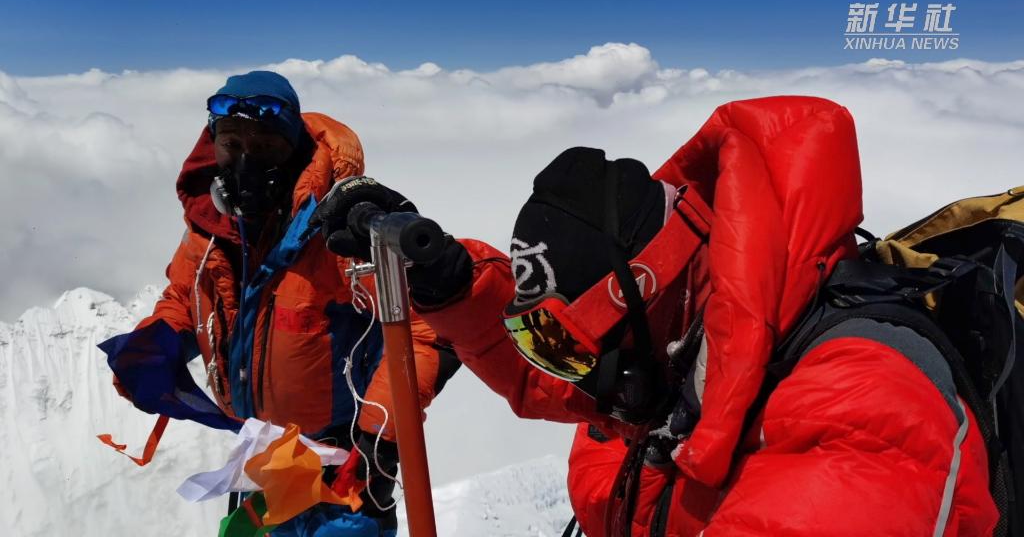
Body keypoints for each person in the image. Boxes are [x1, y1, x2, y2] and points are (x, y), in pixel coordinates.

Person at [313, 96, 1000, 536]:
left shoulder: (859, 411)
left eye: (574, 348)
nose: (571, 378)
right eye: (545, 342)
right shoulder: (671, 356)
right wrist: (451, 284)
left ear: (651, 290)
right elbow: (552, 374)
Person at [102, 71, 459, 536]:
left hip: (343, 475)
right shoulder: (211, 231)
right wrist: (159, 340)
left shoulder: (340, 234)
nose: (246, 160)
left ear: (293, 150)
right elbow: (186, 298)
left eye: (266, 145)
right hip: (263, 461)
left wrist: (381, 431)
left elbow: (427, 327)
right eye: (231, 143)